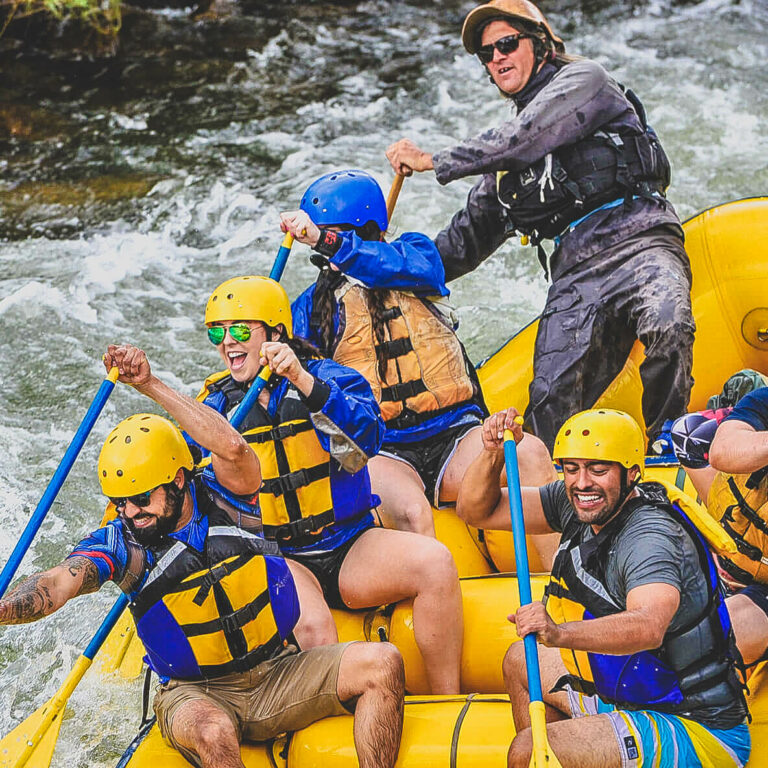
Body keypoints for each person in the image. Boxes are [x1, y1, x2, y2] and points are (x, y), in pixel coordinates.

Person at [0, 345, 405, 768]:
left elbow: (232, 447)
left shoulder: (232, 498)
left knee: (383, 663)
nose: (131, 512)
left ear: (177, 480)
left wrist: (149, 385)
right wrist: (5, 608)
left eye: (141, 498)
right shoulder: (123, 544)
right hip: (196, 693)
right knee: (214, 732)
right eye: (120, 503)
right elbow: (58, 582)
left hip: (278, 671)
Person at [385, 0, 695, 452]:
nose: (497, 58)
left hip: (641, 239)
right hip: (576, 271)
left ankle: (668, 440)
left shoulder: (586, 82)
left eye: (507, 44)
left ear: (541, 44)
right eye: (487, 54)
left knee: (668, 321)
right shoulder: (504, 173)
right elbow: (460, 245)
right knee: (549, 400)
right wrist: (377, 264)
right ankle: (559, 495)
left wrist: (435, 160)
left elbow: (525, 136)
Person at [196, 274, 464, 693]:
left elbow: (368, 439)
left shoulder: (326, 376)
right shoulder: (216, 405)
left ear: (276, 332)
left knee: (436, 563)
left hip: (347, 542)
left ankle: (448, 698)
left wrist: (304, 382)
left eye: (240, 330)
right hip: (282, 555)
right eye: (218, 331)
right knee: (316, 629)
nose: (227, 341)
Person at [457, 407, 750, 768]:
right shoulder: (576, 504)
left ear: (631, 473)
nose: (582, 483)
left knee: (527, 750)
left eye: (598, 469)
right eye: (571, 468)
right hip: (631, 693)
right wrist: (492, 454)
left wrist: (559, 632)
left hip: (694, 723)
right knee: (520, 658)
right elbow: (475, 511)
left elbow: (648, 625)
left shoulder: (651, 537)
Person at [279, 168, 557, 540]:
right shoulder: (310, 307)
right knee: (412, 513)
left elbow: (390, 265)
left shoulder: (415, 257)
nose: (325, 246)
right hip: (381, 448)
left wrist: (327, 241)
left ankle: (559, 586)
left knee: (531, 456)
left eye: (335, 235)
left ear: (368, 231)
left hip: (455, 433)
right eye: (320, 237)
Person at [706, 385, 768, 669]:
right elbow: (722, 451)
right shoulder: (762, 401)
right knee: (689, 431)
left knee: (712, 645)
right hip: (737, 553)